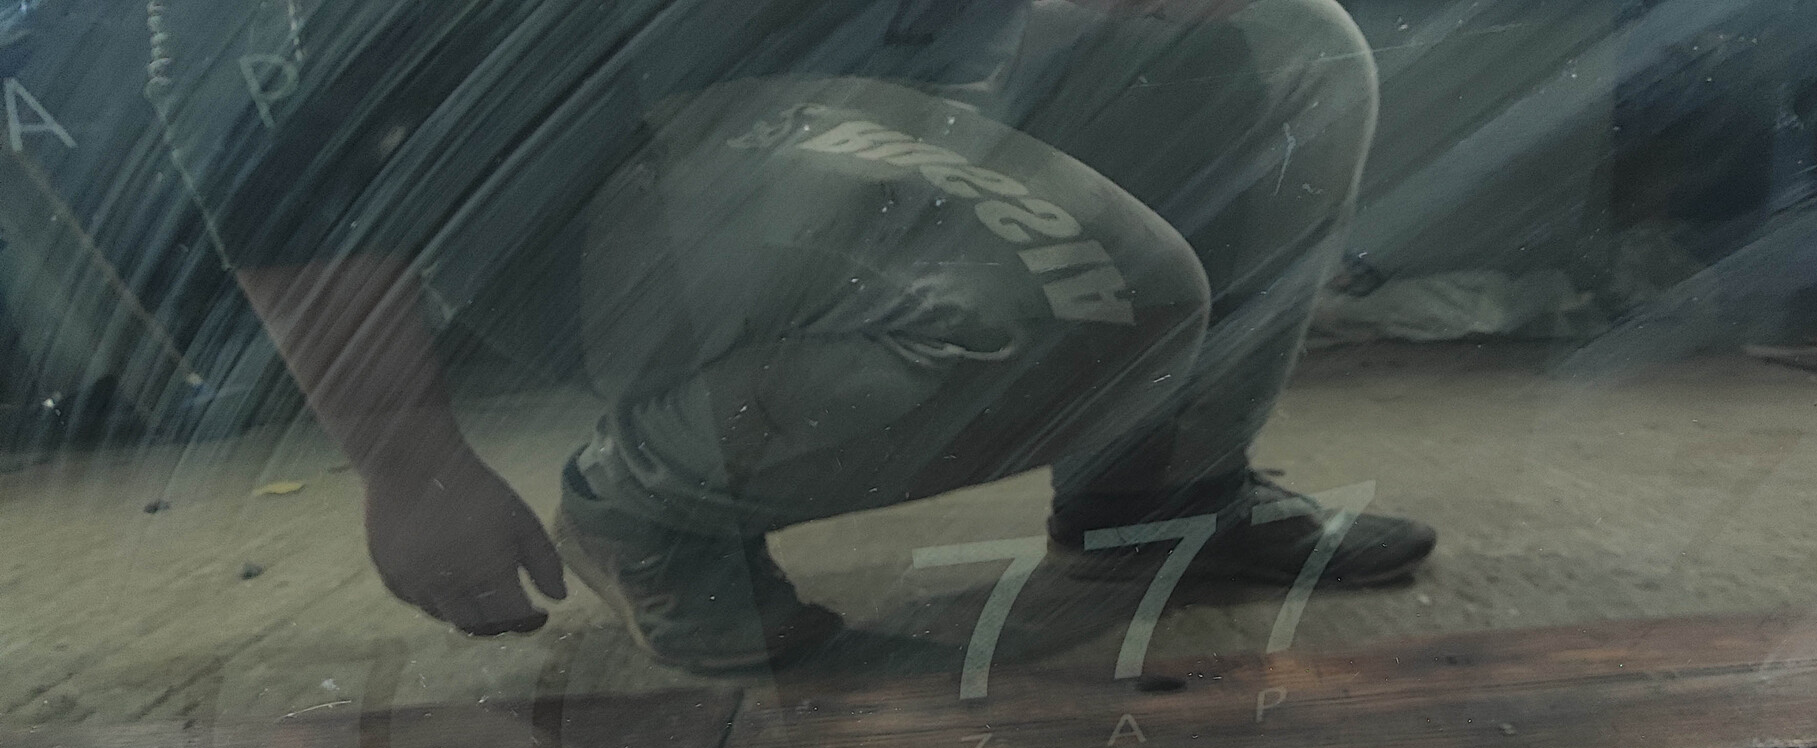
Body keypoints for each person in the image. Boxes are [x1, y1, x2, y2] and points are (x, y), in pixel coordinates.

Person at [146, 0, 1435, 670]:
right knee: (1103, 293)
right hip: (609, 187)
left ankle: (1158, 503)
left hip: (884, 89)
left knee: (1288, 43)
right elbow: (279, 150)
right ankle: (643, 506)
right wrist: (409, 463)